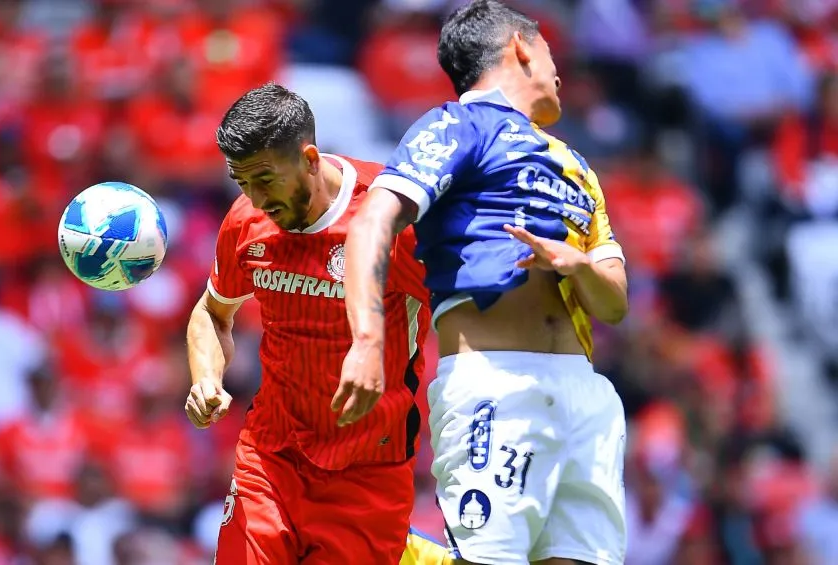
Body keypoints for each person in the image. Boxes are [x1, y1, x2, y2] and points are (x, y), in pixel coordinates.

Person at [341, 2, 630, 565]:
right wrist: (368, 339)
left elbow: (615, 303)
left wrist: (577, 265)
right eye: (550, 54)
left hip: (585, 395)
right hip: (497, 386)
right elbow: (373, 220)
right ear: (521, 47)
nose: (560, 73)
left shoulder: (578, 166)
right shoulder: (458, 125)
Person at [184, 83, 448, 564]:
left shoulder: (390, 217)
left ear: (309, 158)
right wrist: (206, 378)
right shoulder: (246, 220)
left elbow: (464, 311)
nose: (256, 199)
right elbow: (212, 312)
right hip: (271, 455)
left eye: (265, 180)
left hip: (368, 470)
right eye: (241, 182)